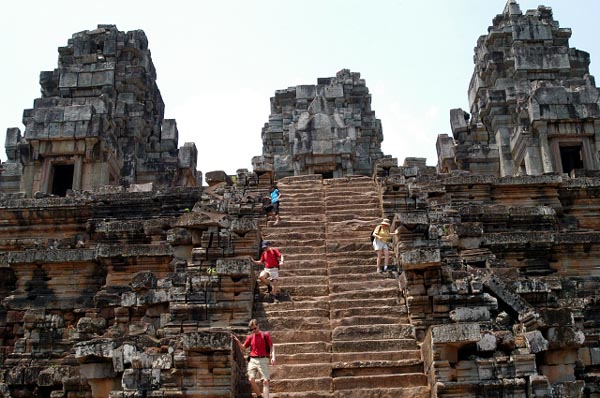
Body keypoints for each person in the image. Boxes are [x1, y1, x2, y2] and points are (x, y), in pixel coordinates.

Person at [233, 319, 275, 398]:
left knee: (265, 381)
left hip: (263, 359)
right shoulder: (250, 337)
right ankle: (259, 396)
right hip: (252, 360)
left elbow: (272, 347)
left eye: (255, 328)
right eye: (252, 329)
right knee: (250, 379)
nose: (253, 330)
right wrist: (238, 341)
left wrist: (273, 357)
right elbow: (243, 348)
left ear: (258, 325)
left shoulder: (265, 335)